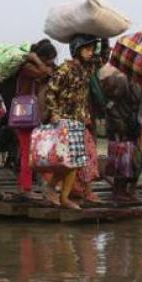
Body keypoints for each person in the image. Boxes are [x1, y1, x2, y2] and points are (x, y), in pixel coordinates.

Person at [45, 34, 100, 210]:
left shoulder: (86, 69)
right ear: (77, 50)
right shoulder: (64, 69)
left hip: (78, 120)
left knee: (71, 161)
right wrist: (54, 113)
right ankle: (62, 196)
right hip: (63, 119)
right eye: (87, 49)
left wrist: (102, 38)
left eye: (92, 49)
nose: (91, 53)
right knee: (70, 161)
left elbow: (102, 57)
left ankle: (54, 191)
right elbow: (51, 92)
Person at [13, 39, 57, 198]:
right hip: (25, 116)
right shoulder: (27, 67)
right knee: (27, 153)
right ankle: (25, 188)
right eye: (49, 59)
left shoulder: (35, 65)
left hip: (33, 115)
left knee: (36, 152)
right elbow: (44, 73)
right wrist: (36, 59)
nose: (51, 63)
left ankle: (37, 184)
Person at [101, 65, 142, 202]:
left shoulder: (130, 80)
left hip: (126, 125)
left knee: (129, 160)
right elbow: (133, 99)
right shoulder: (121, 80)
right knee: (124, 160)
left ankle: (122, 190)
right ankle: (120, 191)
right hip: (122, 126)